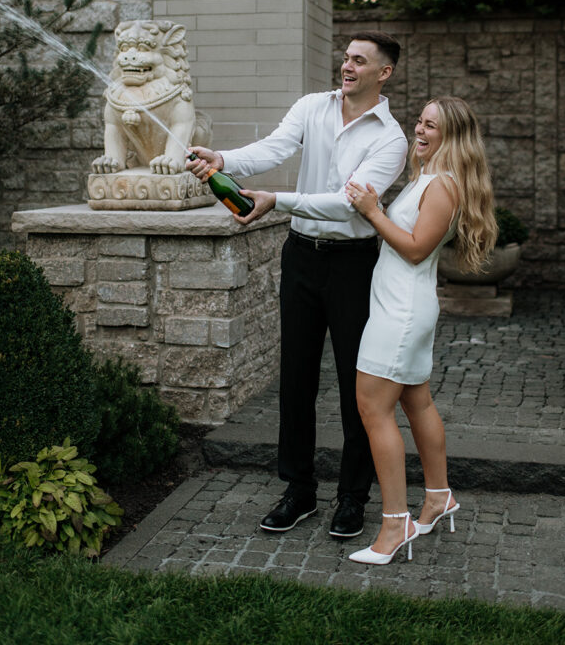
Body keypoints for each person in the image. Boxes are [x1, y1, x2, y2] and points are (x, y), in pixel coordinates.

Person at [186, 33, 408, 538]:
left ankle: (352, 497)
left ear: (384, 73)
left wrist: (278, 200)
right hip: (301, 257)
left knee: (361, 386)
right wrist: (222, 159)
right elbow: (273, 147)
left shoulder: (391, 139)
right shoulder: (313, 106)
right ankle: (299, 491)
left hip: (354, 266)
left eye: (359, 61)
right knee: (296, 379)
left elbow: (349, 202)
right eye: (346, 57)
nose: (347, 66)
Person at [343, 96, 497, 565]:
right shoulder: (427, 178)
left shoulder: (443, 186)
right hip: (400, 305)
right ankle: (437, 497)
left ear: (454, 137)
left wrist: (373, 211)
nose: (420, 131)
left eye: (432, 126)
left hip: (402, 312)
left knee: (372, 407)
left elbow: (414, 249)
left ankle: (395, 524)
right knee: (416, 400)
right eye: (420, 122)